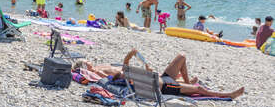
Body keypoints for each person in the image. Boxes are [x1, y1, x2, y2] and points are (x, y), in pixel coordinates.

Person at [72, 49, 244, 99]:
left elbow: (125, 72)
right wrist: (129, 57)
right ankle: (227, 95)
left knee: (182, 57)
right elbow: (123, 73)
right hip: (162, 85)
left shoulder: (104, 69)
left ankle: (187, 82)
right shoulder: (101, 73)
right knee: (202, 90)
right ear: (86, 68)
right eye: (87, 64)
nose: (89, 62)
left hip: (159, 79)